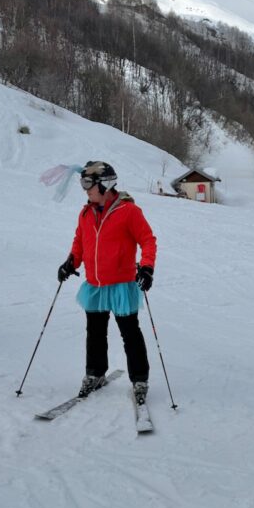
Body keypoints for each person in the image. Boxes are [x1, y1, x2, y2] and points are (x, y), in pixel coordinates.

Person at [57, 161, 157, 404]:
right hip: (95, 286)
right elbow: (79, 242)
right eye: (84, 184)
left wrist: (146, 267)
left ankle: (140, 379)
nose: (86, 189)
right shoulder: (85, 213)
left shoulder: (129, 212)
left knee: (130, 333)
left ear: (105, 185)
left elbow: (148, 240)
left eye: (89, 184)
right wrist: (71, 262)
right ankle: (95, 373)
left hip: (122, 285)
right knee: (95, 333)